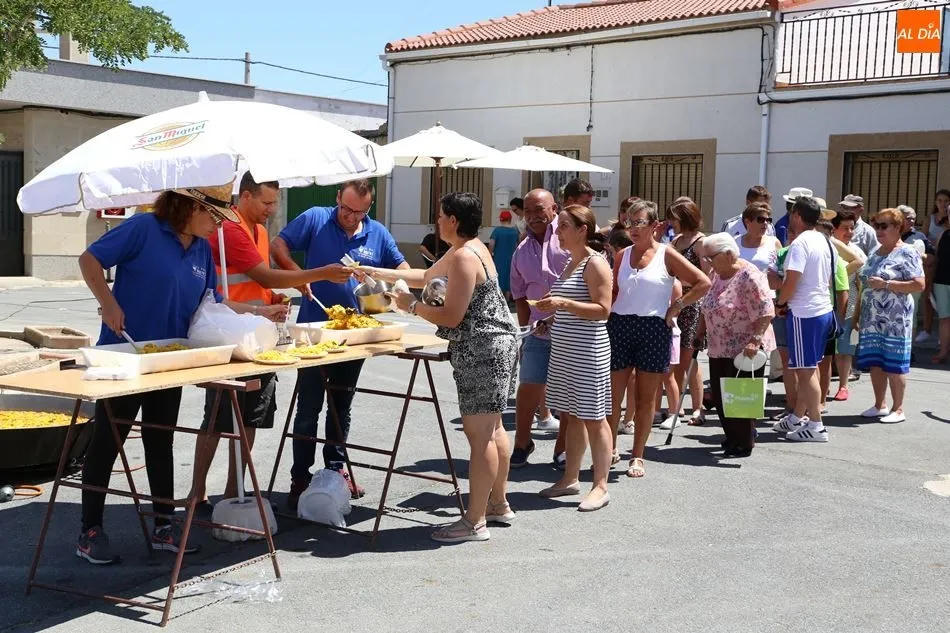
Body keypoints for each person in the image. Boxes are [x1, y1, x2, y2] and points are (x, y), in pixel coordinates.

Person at [75, 183, 286, 565]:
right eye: (214, 217)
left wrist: (258, 313)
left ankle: (162, 526)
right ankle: (90, 529)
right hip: (124, 356)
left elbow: (211, 306)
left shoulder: (203, 248)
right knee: (109, 441)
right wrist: (107, 303)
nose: (218, 226)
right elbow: (89, 260)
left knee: (161, 440)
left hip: (168, 359)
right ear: (189, 207)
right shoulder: (142, 229)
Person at [189, 173, 345, 512]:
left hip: (258, 337)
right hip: (230, 335)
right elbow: (264, 274)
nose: (272, 210)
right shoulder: (229, 229)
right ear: (244, 197)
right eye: (266, 203)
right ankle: (196, 493)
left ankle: (234, 488)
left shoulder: (258, 230)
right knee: (218, 417)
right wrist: (318, 273)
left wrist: (271, 297)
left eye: (275, 203)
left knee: (251, 416)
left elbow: (258, 282)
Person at [379, 192, 518, 542]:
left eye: (440, 216)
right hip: (495, 344)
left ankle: (474, 522)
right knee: (494, 427)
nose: (436, 221)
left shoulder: (463, 257)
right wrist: (368, 270)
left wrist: (411, 307)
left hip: (482, 349)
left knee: (480, 434)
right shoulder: (469, 249)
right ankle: (498, 504)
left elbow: (453, 317)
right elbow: (425, 275)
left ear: (453, 220)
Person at [271, 179, 410, 507]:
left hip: (354, 332)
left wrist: (395, 286)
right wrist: (302, 277)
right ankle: (300, 475)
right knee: (308, 406)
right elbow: (277, 246)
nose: (350, 216)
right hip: (314, 331)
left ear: (368, 208)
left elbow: (401, 266)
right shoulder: (316, 218)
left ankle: (335, 470)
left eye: (358, 211)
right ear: (337, 199)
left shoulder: (376, 231)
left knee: (341, 404)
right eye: (346, 209)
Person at [606, 199, 710, 478]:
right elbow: (615, 293)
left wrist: (677, 306)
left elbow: (703, 282)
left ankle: (637, 456)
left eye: (640, 222)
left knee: (645, 399)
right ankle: (610, 448)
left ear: (655, 226)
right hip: (620, 325)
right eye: (630, 222)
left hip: (654, 328)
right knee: (614, 397)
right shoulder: (621, 255)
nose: (633, 228)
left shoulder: (667, 254)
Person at [535, 206, 613, 511]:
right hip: (566, 350)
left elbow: (603, 310)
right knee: (572, 415)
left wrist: (562, 303)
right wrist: (552, 318)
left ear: (583, 230)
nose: (558, 231)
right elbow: (575, 306)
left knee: (594, 418)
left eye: (564, 226)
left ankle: (601, 486)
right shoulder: (572, 262)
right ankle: (570, 478)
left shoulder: (595, 263)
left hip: (588, 351)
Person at [697, 233, 776, 457]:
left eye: (711, 257)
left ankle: (744, 441)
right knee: (722, 397)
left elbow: (765, 311)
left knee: (741, 397)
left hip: (744, 348)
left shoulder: (749, 276)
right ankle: (732, 437)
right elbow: (707, 305)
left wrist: (755, 340)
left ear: (729, 254)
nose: (708, 262)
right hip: (718, 345)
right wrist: (700, 331)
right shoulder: (716, 273)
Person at [509, 189, 569, 469]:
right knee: (529, 386)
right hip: (537, 330)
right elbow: (519, 296)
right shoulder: (522, 249)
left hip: (571, 328)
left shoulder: (568, 237)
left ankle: (563, 447)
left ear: (554, 208)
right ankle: (522, 442)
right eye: (528, 211)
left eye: (539, 210)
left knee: (569, 391)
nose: (533, 216)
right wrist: (524, 332)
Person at [772, 196, 837, 442]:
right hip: (821, 310)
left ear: (798, 216)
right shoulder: (822, 239)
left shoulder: (800, 244)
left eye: (792, 213)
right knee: (808, 367)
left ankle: (817, 425)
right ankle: (797, 417)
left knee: (806, 370)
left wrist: (780, 303)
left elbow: (791, 281)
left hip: (805, 313)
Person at [854, 208, 925, 422]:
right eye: (876, 225)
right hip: (872, 317)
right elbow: (863, 285)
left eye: (883, 226)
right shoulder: (876, 253)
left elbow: (919, 284)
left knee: (895, 362)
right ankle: (880, 405)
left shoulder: (908, 252)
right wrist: (857, 314)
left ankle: (899, 409)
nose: (878, 230)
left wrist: (886, 284)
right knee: (876, 361)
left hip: (896, 319)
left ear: (898, 227)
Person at [667, 197, 708, 426]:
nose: (672, 222)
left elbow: (707, 277)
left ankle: (697, 407)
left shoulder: (701, 242)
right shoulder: (676, 241)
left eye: (674, 218)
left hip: (693, 303)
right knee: (678, 359)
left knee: (690, 358)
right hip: (676, 300)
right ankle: (678, 406)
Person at [830, 209, 867, 401]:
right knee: (827, 350)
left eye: (852, 228)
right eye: (844, 228)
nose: (849, 232)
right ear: (833, 229)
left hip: (850, 306)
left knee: (845, 349)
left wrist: (860, 313)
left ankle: (843, 385)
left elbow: (862, 285)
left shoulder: (857, 252)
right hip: (827, 306)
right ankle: (822, 385)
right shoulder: (827, 248)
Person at [928, 209, 950, 363]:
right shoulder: (944, 234)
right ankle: (943, 352)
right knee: (944, 318)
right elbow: (936, 259)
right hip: (941, 282)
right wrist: (929, 282)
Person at [735, 202, 782, 273]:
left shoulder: (774, 242)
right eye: (761, 220)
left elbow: (782, 270)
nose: (765, 223)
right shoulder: (735, 242)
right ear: (747, 221)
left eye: (768, 220)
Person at [489, 210, 520, 300]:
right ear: (510, 219)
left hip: (499, 259)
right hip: (512, 259)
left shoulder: (497, 231)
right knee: (509, 278)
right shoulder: (515, 231)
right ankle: (507, 300)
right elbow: (519, 245)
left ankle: (499, 299)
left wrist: (489, 255)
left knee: (499, 277)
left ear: (500, 220)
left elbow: (491, 244)